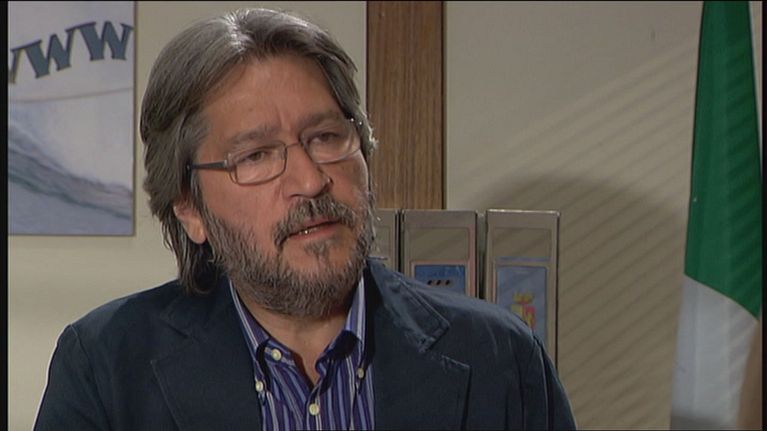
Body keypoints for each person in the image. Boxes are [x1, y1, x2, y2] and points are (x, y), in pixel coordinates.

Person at [34, 8, 576, 430]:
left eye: (326, 137)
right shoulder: (106, 368)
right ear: (190, 209)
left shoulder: (499, 358)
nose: (311, 180)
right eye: (256, 156)